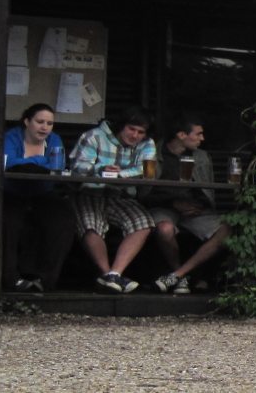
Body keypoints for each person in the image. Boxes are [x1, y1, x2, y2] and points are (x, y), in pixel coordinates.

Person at [67, 107, 158, 293]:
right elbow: (77, 167)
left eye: (141, 132)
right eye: (131, 129)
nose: (135, 135)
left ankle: (114, 274)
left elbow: (146, 170)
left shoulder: (147, 143)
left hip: (121, 196)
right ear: (121, 125)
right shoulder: (94, 136)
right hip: (90, 193)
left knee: (144, 222)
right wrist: (102, 170)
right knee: (90, 224)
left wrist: (118, 175)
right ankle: (108, 274)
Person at [146, 114, 231, 294]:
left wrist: (198, 204)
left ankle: (177, 275)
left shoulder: (201, 156)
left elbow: (207, 189)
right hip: (163, 207)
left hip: (192, 209)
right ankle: (181, 278)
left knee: (226, 229)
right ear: (181, 135)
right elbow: (144, 192)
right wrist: (174, 203)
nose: (202, 139)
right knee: (165, 230)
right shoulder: (153, 152)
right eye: (198, 134)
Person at [2, 102, 74, 293]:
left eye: (49, 123)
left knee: (63, 221)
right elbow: (7, 162)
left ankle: (46, 280)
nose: (45, 127)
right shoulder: (12, 137)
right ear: (27, 121)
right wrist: (40, 160)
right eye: (40, 122)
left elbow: (58, 164)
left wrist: (26, 163)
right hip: (12, 192)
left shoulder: (54, 139)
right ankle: (10, 279)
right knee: (7, 223)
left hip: (42, 193)